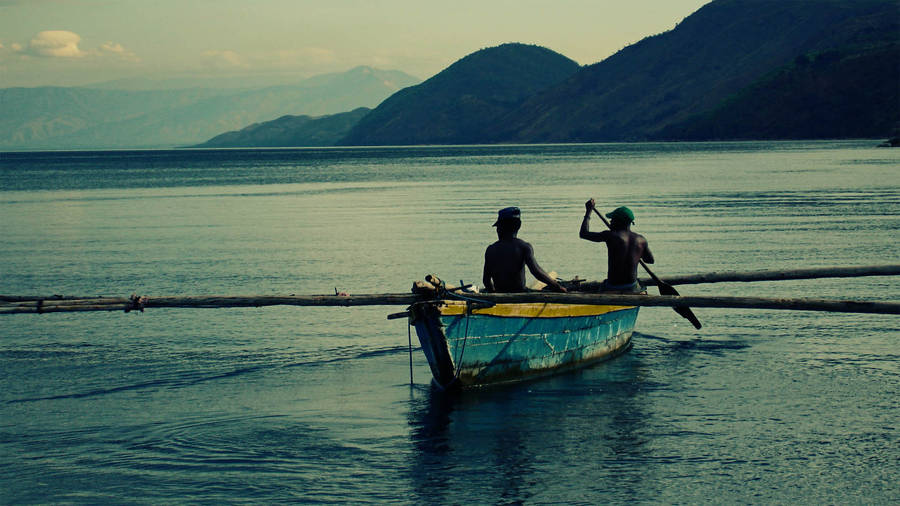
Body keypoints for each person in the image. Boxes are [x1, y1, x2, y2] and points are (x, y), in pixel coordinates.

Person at [482, 207, 567, 293]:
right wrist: (557, 287)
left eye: (498, 227)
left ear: (500, 228)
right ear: (519, 226)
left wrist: (493, 293)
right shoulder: (523, 247)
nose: (497, 230)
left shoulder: (491, 249)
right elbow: (536, 272)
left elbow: (486, 280)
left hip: (500, 293)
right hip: (520, 293)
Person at [579, 199, 654, 292]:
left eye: (612, 220)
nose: (610, 222)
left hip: (612, 286)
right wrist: (637, 255)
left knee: (594, 288)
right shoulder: (641, 240)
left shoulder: (610, 235)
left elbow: (583, 234)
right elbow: (650, 260)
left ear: (619, 222)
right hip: (632, 286)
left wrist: (588, 211)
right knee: (641, 285)